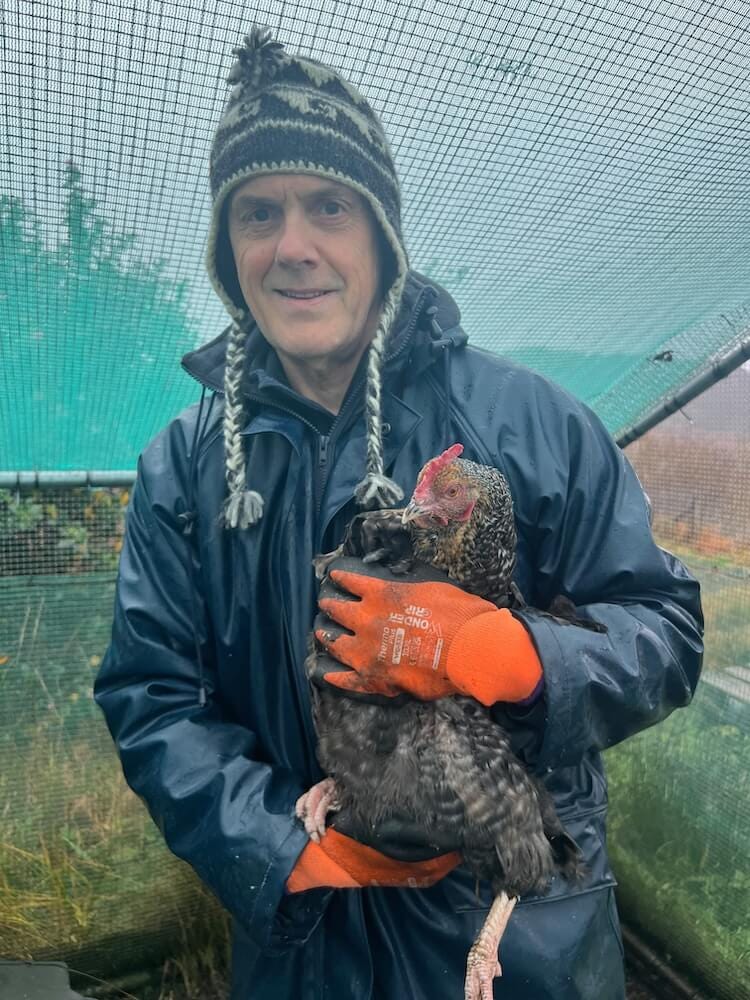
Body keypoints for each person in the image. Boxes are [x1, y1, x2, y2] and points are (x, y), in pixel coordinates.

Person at [94, 26, 703, 1000]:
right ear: (228, 247)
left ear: (379, 225)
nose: (293, 245)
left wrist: (524, 659)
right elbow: (151, 693)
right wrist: (277, 844)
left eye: (327, 205)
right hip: (306, 953)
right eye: (258, 213)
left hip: (515, 949)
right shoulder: (185, 465)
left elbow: (665, 632)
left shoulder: (533, 422)